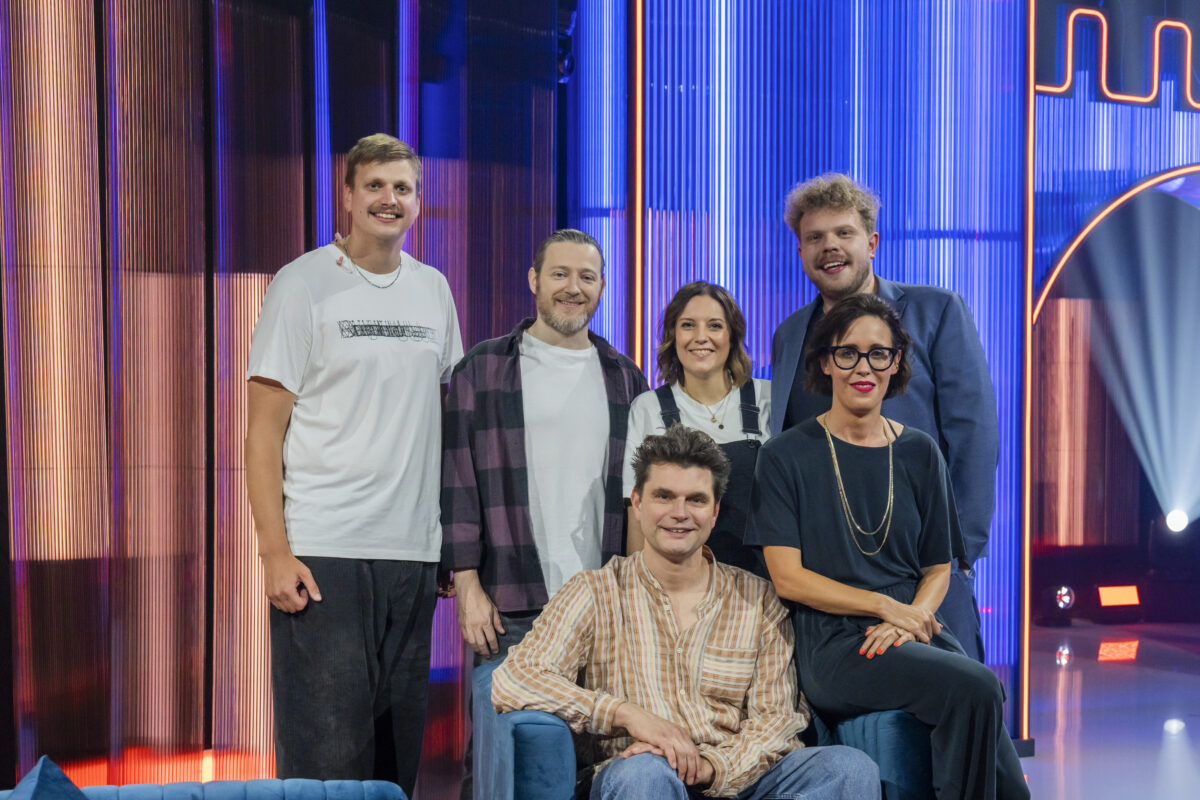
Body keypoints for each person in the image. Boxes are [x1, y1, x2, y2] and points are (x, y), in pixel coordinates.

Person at [492, 425, 881, 800]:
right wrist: (626, 714)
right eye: (664, 496)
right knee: (646, 773)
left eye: (696, 500)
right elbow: (515, 678)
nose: (680, 513)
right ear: (638, 503)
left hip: (734, 777)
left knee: (849, 768)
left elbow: (776, 721)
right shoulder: (594, 591)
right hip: (636, 773)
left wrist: (712, 766)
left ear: (715, 511)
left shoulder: (758, 599)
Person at [244, 133, 463, 795]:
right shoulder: (301, 283)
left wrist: (449, 541)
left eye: (402, 188)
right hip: (324, 551)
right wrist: (274, 553)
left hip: (412, 555)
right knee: (327, 761)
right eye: (374, 185)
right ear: (347, 195)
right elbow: (263, 433)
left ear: (418, 202)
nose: (388, 199)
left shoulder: (432, 289)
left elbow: (448, 421)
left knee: (393, 766)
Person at [745, 295, 1028, 800]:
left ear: (896, 363)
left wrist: (909, 617)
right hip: (836, 641)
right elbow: (787, 577)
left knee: (1008, 776)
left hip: (910, 627)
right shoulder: (785, 455)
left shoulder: (920, 451)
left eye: (879, 353)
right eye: (848, 353)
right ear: (826, 362)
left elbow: (938, 567)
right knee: (980, 688)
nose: (864, 367)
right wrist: (883, 607)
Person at [440, 228, 648, 797]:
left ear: (601, 287)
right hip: (510, 601)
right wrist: (466, 583)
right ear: (534, 280)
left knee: (598, 752)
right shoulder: (482, 369)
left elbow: (640, 498)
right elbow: (457, 479)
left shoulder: (625, 378)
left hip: (602, 605)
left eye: (587, 277)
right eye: (560, 274)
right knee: (501, 755)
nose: (573, 288)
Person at [771, 173, 998, 663]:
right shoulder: (790, 334)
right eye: (815, 237)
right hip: (829, 585)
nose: (830, 247)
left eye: (843, 233)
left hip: (924, 571)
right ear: (801, 251)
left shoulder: (936, 311)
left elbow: (975, 437)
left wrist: (959, 557)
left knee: (957, 694)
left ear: (871, 243)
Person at [623, 281, 769, 575]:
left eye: (715, 326)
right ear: (673, 336)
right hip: (676, 582)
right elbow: (637, 516)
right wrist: (639, 590)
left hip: (761, 583)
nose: (701, 337)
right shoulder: (647, 408)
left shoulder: (768, 399)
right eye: (688, 325)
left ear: (732, 335)